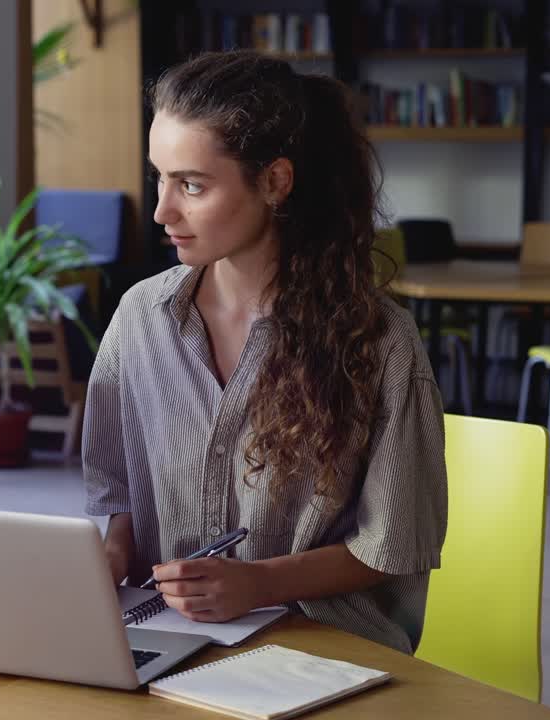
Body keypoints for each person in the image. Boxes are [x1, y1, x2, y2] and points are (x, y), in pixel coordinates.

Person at [83, 51, 447, 653]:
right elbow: (118, 488)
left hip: (321, 647)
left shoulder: (380, 340)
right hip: (167, 635)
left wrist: (257, 583)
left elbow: (392, 546)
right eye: (159, 177)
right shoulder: (139, 317)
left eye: (191, 185)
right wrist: (113, 552)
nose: (161, 210)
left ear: (275, 181)